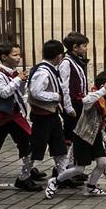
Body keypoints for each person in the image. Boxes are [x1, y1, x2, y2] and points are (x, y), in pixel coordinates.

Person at [45, 70, 106, 198]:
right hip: (83, 136)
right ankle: (54, 182)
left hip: (95, 136)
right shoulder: (94, 96)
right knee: (79, 168)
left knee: (102, 163)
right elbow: (85, 101)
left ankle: (91, 187)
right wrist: (103, 90)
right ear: (103, 85)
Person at [0, 42, 39, 191]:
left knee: (29, 144)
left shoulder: (15, 72)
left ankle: (25, 176)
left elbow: (19, 94)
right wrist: (18, 79)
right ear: (4, 57)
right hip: (0, 117)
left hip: (15, 116)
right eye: (15, 55)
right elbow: (4, 93)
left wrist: (22, 80)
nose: (19, 57)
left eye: (19, 54)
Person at [28, 39, 73, 183]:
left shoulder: (49, 69)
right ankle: (23, 177)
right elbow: (35, 92)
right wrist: (55, 96)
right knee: (36, 147)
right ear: (58, 56)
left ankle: (62, 176)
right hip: (42, 116)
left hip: (51, 114)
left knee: (59, 146)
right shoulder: (43, 72)